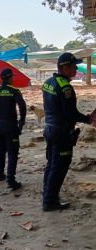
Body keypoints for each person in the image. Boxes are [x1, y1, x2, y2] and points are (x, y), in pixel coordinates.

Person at [42, 52, 93, 211]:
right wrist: (88, 119)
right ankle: (50, 202)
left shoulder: (48, 82)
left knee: (51, 164)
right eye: (73, 65)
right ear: (65, 67)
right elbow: (70, 113)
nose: (76, 68)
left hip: (49, 129)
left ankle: (48, 194)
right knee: (60, 167)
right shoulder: (66, 87)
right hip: (61, 132)